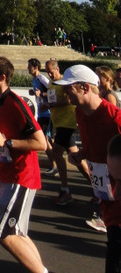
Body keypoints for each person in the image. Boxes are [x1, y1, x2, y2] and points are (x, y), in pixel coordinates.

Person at [0, 56, 50, 273]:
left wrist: (7, 142)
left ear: (1, 77)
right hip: (8, 175)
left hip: (22, 176)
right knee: (16, 232)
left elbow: (42, 143)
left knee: (3, 233)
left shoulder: (15, 103)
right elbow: (2, 139)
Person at [56, 64, 121, 273]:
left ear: (84, 88)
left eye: (69, 88)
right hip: (106, 198)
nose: (65, 93)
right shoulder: (80, 114)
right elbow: (95, 145)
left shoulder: (114, 117)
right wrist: (82, 154)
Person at [45, 58, 88, 205]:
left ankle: (65, 189)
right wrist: (47, 103)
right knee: (76, 157)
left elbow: (69, 101)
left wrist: (52, 105)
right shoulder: (51, 83)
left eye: (51, 72)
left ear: (57, 69)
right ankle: (97, 188)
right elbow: (52, 99)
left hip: (67, 122)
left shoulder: (64, 82)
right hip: (59, 123)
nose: (49, 75)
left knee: (56, 151)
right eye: (48, 73)